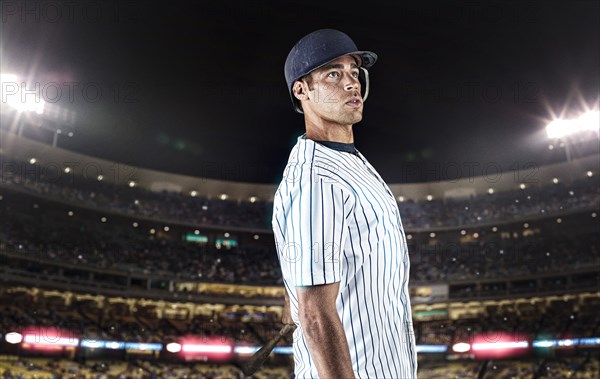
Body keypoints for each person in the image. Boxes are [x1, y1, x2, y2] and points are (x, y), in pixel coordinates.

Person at [272, 29, 418, 378]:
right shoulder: (315, 177)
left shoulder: (349, 161)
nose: (351, 83)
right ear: (301, 89)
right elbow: (314, 313)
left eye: (354, 72)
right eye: (333, 74)